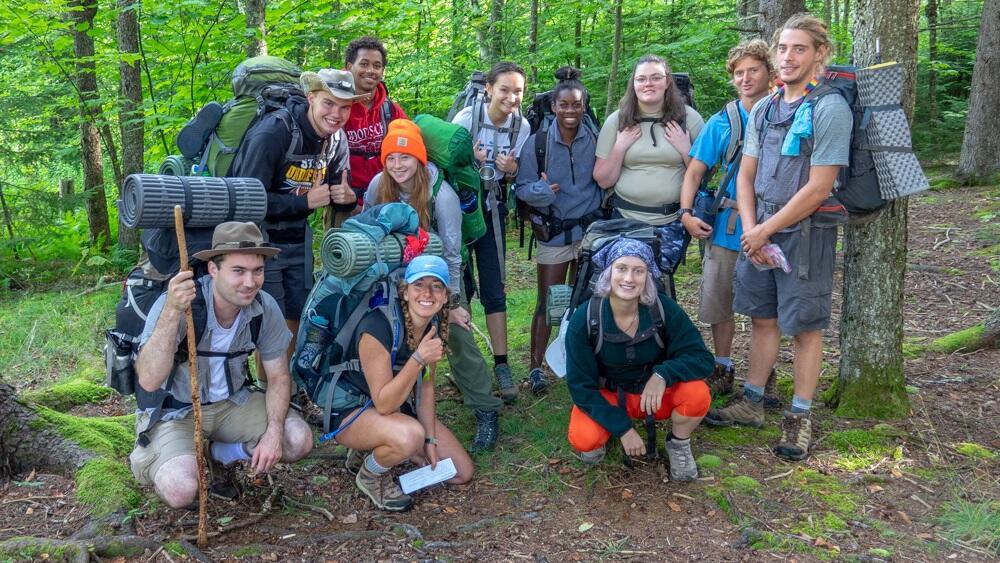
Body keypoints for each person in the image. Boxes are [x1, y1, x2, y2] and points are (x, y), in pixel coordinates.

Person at [705, 13, 853, 462]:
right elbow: (746, 176)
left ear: (820, 54)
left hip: (805, 235)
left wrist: (765, 230)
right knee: (762, 317)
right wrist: (752, 230)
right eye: (783, 49)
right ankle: (752, 401)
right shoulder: (767, 107)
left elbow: (819, 186)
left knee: (805, 327)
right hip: (759, 229)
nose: (788, 58)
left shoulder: (829, 108)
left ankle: (799, 417)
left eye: (799, 49)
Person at [129, 222, 314, 509]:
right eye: (238, 271)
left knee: (296, 439)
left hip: (232, 403)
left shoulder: (263, 308)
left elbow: (278, 377)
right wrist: (172, 312)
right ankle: (189, 453)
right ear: (214, 270)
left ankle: (221, 453)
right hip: (176, 410)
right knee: (179, 489)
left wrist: (273, 434)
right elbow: (150, 380)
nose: (250, 282)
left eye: (258, 271)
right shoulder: (180, 303)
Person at [366, 119, 504, 452]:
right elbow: (367, 234)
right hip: (393, 277)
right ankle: (384, 407)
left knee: (454, 336)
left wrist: (452, 303)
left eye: (406, 157)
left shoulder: (441, 194)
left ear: (419, 158)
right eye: (391, 158)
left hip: (438, 280)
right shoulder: (376, 186)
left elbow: (454, 254)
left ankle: (486, 408)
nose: (398, 165)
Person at [228, 68, 360, 360]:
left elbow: (335, 196)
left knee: (298, 315)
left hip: (299, 241)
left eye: (344, 107)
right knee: (269, 320)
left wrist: (347, 199)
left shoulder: (336, 141)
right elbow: (247, 199)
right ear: (311, 98)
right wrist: (303, 204)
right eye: (329, 103)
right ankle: (269, 390)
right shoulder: (274, 132)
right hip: (261, 240)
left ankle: (288, 387)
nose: (336, 114)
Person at [328, 254, 474, 512]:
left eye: (436, 286)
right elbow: (384, 404)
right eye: (419, 285)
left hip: (393, 409)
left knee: (460, 472)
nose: (427, 293)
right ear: (405, 292)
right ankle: (371, 474)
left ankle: (375, 447)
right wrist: (418, 357)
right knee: (409, 437)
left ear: (444, 297)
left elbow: (426, 387)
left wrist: (430, 440)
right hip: (352, 410)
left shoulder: (434, 323)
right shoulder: (378, 327)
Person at [679, 40, 781, 404]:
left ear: (770, 72)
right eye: (738, 73)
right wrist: (686, 214)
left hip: (771, 225)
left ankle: (764, 374)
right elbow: (694, 172)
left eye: (753, 70)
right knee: (718, 301)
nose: (745, 78)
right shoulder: (723, 122)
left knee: (763, 307)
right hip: (725, 226)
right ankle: (722, 367)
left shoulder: (786, 113)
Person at [564, 238, 713, 480]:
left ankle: (679, 444)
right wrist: (624, 430)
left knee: (696, 394)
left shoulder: (662, 309)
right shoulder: (586, 318)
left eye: (638, 271)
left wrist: (663, 374)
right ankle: (607, 430)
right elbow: (581, 387)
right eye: (621, 268)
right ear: (608, 273)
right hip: (610, 395)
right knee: (584, 439)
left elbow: (702, 359)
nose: (629, 278)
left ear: (648, 278)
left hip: (653, 396)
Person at [515, 67, 603, 394]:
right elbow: (521, 187)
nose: (570, 111)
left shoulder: (594, 137)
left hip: (588, 232)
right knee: (549, 301)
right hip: (553, 234)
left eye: (576, 105)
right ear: (553, 106)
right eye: (563, 105)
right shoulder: (538, 142)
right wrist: (543, 193)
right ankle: (536, 368)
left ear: (583, 106)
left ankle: (577, 361)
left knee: (582, 301)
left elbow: (607, 175)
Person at [451, 61, 531, 402]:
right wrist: (469, 161)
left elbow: (514, 176)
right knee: (461, 285)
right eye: (505, 89)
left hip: (493, 207)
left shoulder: (521, 126)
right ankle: (466, 368)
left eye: (518, 91)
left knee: (495, 285)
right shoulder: (465, 120)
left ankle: (502, 365)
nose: (512, 97)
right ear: (488, 89)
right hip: (459, 206)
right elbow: (444, 166)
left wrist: (512, 171)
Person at [593, 54, 705, 226]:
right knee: (629, 254)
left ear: (667, 82)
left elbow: (702, 177)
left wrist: (685, 150)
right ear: (634, 84)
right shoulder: (617, 121)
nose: (648, 84)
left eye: (656, 78)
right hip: (624, 219)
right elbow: (603, 180)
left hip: (675, 220)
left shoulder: (689, 119)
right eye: (641, 79)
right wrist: (619, 148)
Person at [334, 36, 408, 226]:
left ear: (383, 71)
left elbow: (409, 151)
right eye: (364, 64)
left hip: (386, 201)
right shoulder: (337, 108)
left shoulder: (391, 110)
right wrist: (350, 203)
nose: (371, 70)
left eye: (377, 66)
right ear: (350, 67)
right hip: (345, 204)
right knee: (345, 253)